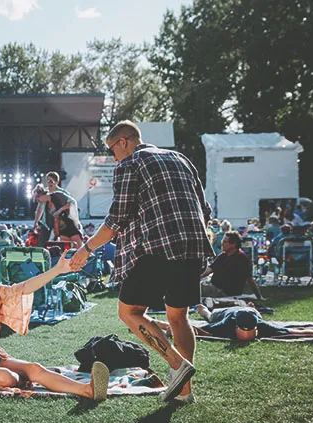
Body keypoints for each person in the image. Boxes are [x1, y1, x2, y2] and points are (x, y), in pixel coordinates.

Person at [71, 120, 214, 404]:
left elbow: (116, 220)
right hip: (193, 246)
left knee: (129, 313)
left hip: (158, 248)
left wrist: (85, 249)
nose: (113, 157)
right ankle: (184, 393)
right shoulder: (181, 159)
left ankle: (177, 364)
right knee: (178, 318)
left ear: (124, 141)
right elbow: (205, 209)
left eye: (112, 150)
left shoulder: (131, 164)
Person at [0, 249, 109, 400]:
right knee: (7, 377)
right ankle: (25, 378)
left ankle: (87, 390)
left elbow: (24, 288)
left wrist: (57, 270)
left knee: (34, 368)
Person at [188, 306, 313, 341]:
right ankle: (203, 308)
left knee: (251, 309)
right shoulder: (225, 325)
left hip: (250, 310)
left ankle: (250, 305)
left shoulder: (263, 326)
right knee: (210, 316)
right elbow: (197, 329)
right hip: (225, 312)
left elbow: (295, 331)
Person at [201, 231, 264, 300]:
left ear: (233, 244)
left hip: (222, 291)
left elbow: (249, 279)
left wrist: (259, 296)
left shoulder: (241, 258)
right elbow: (210, 269)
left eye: (225, 242)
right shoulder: (223, 255)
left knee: (194, 287)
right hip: (214, 286)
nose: (222, 244)